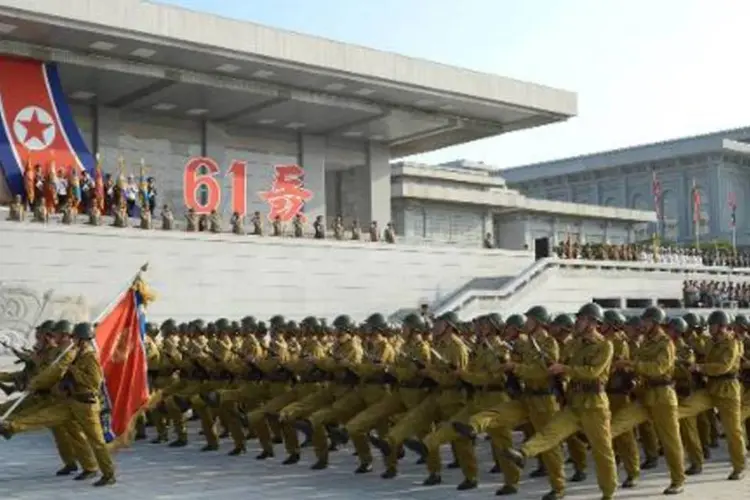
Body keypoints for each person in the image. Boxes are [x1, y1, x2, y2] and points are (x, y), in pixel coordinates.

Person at [0, 322, 117, 486]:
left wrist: (72, 370)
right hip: (69, 402)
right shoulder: (72, 353)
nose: (73, 340)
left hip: (86, 405)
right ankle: (10, 426)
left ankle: (108, 474)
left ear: (82, 339)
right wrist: (37, 381)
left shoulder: (89, 357)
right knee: (45, 417)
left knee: (96, 441)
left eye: (75, 337)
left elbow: (94, 383)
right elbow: (54, 371)